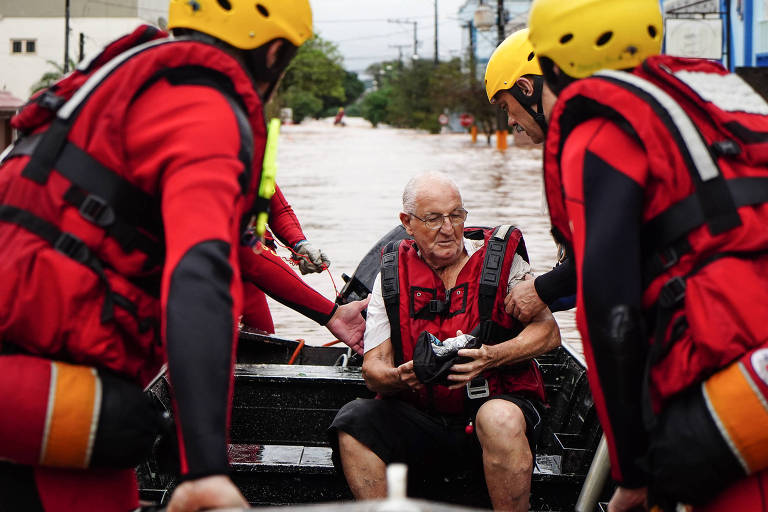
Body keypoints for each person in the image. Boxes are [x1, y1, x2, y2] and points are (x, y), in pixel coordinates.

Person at [0, 1, 363, 511]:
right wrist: (205, 468)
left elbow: (237, 251)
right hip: (31, 376)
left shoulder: (123, 84)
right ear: (275, 53)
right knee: (123, 426)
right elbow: (200, 278)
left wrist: (328, 311)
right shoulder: (205, 108)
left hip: (29, 359)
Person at [527, 0, 768, 510]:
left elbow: (610, 313)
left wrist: (632, 469)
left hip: (728, 362)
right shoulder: (712, 103)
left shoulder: (597, 133)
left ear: (550, 68)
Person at [330, 172, 561, 512]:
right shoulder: (390, 276)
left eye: (456, 215)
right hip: (423, 417)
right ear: (407, 223)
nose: (449, 228)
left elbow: (548, 333)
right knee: (353, 421)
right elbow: (373, 369)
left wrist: (492, 356)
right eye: (434, 218)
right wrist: (399, 377)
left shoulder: (502, 262)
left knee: (498, 418)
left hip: (494, 410)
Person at [484, 28, 575, 323]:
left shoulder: (591, 147)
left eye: (506, 107)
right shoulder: (572, 144)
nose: (511, 121)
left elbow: (612, 252)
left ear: (526, 88)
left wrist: (540, 289)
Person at [241, 183, 333, 334]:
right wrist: (331, 314)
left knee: (263, 344)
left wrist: (299, 243)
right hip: (211, 274)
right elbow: (242, 247)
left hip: (250, 277)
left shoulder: (256, 161)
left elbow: (277, 209)